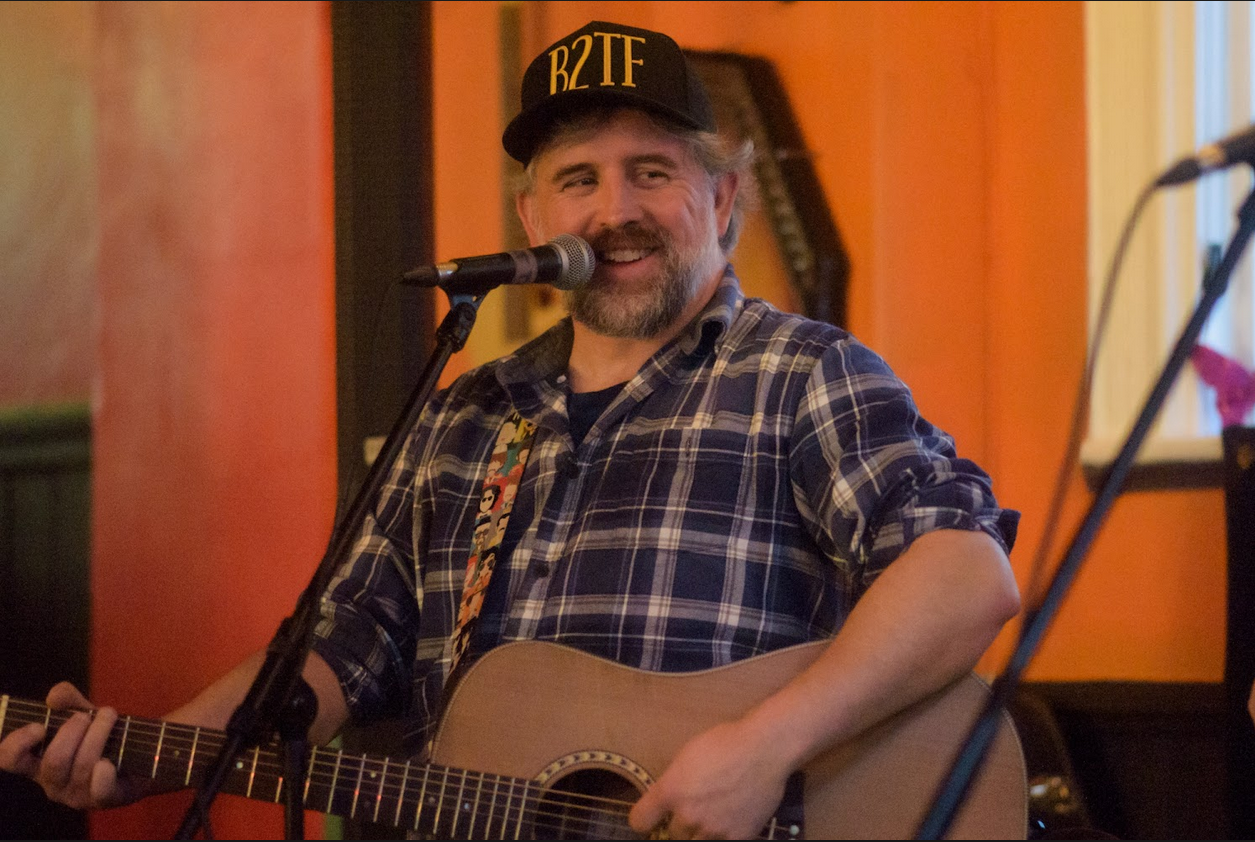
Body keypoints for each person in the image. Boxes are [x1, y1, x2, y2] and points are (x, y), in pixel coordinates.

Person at [0, 19, 1020, 839]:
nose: (613, 208)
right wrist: (160, 746)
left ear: (723, 196)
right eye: (577, 179)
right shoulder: (466, 412)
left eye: (651, 171)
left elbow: (968, 572)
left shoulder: (801, 373)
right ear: (532, 219)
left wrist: (761, 747)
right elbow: (344, 645)